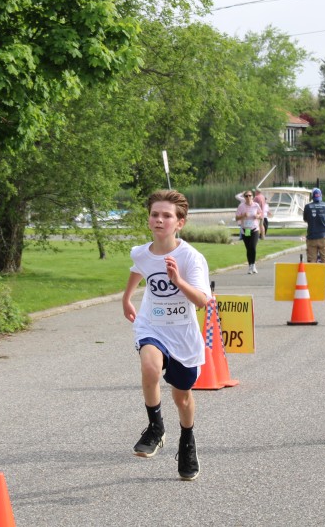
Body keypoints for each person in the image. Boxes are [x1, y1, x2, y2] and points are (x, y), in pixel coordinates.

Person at [122, 189, 211, 481]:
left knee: (182, 397)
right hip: (152, 325)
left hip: (182, 334)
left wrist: (178, 280)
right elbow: (139, 268)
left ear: (180, 223)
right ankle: (156, 428)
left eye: (167, 216)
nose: (159, 220)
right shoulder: (140, 252)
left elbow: (201, 301)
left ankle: (187, 441)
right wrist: (127, 297)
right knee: (150, 367)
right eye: (154, 214)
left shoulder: (191, 257)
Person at [302, 187, 325, 264]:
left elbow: (305, 219)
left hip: (311, 237)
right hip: (323, 237)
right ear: (321, 196)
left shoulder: (307, 207)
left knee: (312, 262)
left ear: (312, 196)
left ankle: (313, 272)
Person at [235, 190, 263, 274]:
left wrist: (257, 216)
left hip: (254, 229)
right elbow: (236, 218)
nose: (248, 197)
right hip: (246, 229)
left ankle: (253, 265)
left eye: (250, 195)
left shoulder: (256, 205)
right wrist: (243, 215)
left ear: (252, 197)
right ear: (244, 197)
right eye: (246, 196)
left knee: (252, 247)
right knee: (248, 248)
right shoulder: (241, 206)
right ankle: (250, 266)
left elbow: (261, 215)